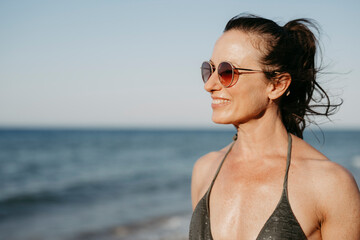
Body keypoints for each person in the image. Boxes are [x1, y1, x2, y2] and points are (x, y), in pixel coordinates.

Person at [189, 14, 360, 240]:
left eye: (226, 72)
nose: (210, 85)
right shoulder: (205, 170)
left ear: (277, 85)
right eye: (209, 70)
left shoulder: (329, 184)